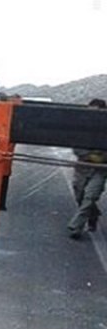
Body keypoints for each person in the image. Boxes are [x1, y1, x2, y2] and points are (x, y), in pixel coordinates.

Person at [67, 98, 107, 239]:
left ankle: (75, 227)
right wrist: (89, 155)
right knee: (80, 196)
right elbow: (76, 146)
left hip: (100, 170)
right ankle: (93, 215)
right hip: (82, 168)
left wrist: (101, 157)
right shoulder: (82, 127)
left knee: (90, 196)